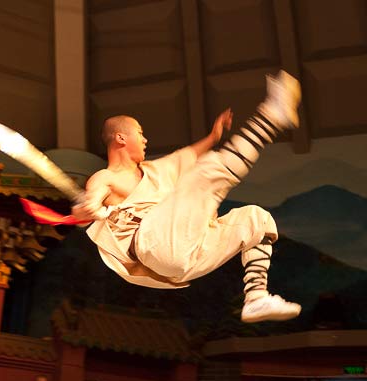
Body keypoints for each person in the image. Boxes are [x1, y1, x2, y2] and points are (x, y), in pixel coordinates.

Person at [73, 71, 303, 323]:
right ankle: (271, 116)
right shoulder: (105, 177)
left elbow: (185, 155)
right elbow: (89, 203)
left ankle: (256, 297)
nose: (145, 139)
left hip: (185, 259)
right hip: (151, 246)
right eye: (140, 133)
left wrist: (213, 137)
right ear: (120, 137)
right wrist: (86, 210)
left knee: (256, 218)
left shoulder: (155, 171)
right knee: (203, 173)